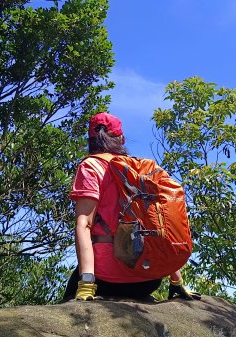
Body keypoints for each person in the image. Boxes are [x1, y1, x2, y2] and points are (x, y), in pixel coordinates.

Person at [61, 112, 201, 302]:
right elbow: (158, 226)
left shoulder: (91, 166)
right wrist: (176, 281)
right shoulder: (139, 169)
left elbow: (84, 224)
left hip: (107, 279)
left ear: (91, 140)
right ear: (121, 139)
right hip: (149, 278)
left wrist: (86, 284)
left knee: (70, 291)